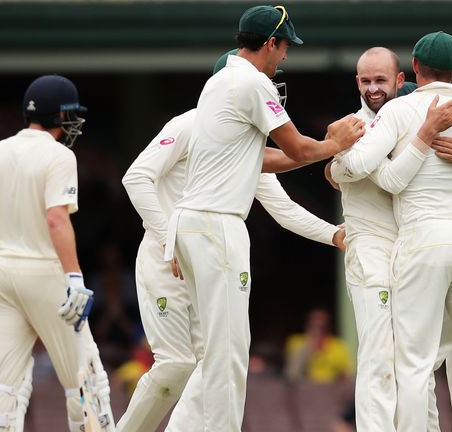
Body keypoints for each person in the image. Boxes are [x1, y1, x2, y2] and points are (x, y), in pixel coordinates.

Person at [117, 47, 349, 431]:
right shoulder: (188, 124)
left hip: (206, 254)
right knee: (177, 365)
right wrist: (167, 239)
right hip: (167, 255)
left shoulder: (241, 145)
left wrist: (335, 234)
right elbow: (135, 179)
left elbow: (283, 208)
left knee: (215, 360)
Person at [161, 5, 365, 431]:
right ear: (271, 42)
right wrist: (336, 141)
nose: (286, 57)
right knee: (231, 352)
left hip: (195, 224)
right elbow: (300, 150)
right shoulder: (254, 83)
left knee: (217, 351)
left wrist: (321, 150)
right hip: (217, 227)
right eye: (285, 46)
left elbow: (266, 160)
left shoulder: (219, 81)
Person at [331, 32, 452, 431]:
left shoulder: (398, 112)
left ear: (411, 69)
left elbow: (368, 169)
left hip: (422, 241)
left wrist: (335, 154)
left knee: (413, 364)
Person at [0, 74, 113, 431]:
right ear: (61, 116)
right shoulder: (59, 155)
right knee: (85, 380)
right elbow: (56, 219)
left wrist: (4, 251)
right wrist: (74, 278)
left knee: (3, 386)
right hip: (46, 275)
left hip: (1, 274)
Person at [284, 308, 353, 384]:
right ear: (307, 325)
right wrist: (309, 346)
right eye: (313, 326)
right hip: (303, 388)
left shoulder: (338, 346)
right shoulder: (295, 341)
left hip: (330, 388)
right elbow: (292, 372)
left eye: (322, 327)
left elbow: (346, 374)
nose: (317, 331)